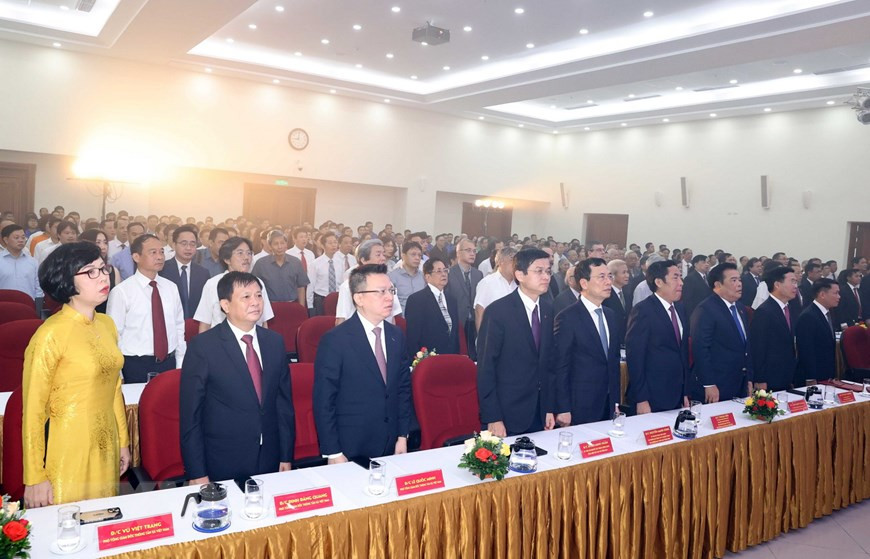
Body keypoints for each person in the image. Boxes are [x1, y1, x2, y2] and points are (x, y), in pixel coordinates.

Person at [22, 242, 131, 507]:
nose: (103, 276)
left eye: (102, 268)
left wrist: (124, 443)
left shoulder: (107, 324)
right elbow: (33, 410)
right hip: (69, 445)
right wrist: (35, 476)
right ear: (67, 281)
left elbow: (114, 387)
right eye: (90, 271)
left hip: (107, 442)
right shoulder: (50, 335)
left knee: (103, 520)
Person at [180, 272, 295, 483]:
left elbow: (283, 404)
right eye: (246, 297)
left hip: (271, 457)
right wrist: (197, 472)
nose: (255, 303)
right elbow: (191, 416)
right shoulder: (203, 347)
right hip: (222, 459)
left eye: (259, 295)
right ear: (225, 304)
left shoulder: (274, 342)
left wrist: (286, 455)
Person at [313, 264, 411, 462]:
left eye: (391, 290)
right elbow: (324, 401)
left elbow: (402, 389)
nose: (389, 297)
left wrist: (402, 435)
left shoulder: (396, 336)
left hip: (392, 442)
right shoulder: (335, 340)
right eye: (381, 292)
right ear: (359, 298)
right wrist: (333, 452)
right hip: (350, 447)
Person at [477, 249, 561, 436]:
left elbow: (549, 365)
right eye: (538, 271)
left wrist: (548, 407)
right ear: (520, 275)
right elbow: (486, 368)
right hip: (507, 413)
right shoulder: (498, 312)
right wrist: (493, 417)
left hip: (539, 412)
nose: (545, 276)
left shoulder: (548, 310)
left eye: (548, 271)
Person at [107, 234, 186, 383]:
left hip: (169, 362)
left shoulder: (171, 287)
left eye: (162, 251)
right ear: (136, 257)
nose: (160, 257)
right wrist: (119, 375)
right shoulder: (122, 292)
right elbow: (114, 336)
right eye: (153, 252)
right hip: (135, 365)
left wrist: (180, 363)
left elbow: (179, 327)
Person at [553, 257, 623, 425]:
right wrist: (563, 408)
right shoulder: (567, 317)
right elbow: (560, 366)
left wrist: (615, 401)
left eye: (610, 276)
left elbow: (613, 362)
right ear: (584, 283)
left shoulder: (611, 315)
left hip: (607, 403)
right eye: (601, 277)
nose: (608, 282)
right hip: (579, 404)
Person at [625, 260, 690, 414]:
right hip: (651, 395)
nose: (681, 283)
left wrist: (685, 391)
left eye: (681, 277)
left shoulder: (680, 309)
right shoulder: (643, 311)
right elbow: (635, 358)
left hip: (676, 394)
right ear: (659, 282)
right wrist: (642, 399)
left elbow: (683, 353)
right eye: (675, 277)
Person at [690, 262, 753, 403]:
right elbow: (700, 349)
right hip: (717, 385)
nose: (739, 284)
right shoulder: (706, 309)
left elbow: (746, 347)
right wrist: (709, 383)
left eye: (739, 280)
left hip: (739, 383)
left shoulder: (740, 308)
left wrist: (749, 377)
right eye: (733, 280)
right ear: (718, 285)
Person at [194, 236, 275, 332]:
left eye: (249, 253)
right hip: (221, 341)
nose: (246, 257)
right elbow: (205, 323)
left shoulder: (257, 282)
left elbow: (263, 321)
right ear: (227, 259)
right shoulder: (213, 284)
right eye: (240, 253)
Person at [749, 266, 798, 391]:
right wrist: (760, 379)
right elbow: (758, 348)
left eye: (796, 282)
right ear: (777, 284)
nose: (795, 286)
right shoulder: (764, 311)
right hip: (770, 377)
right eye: (792, 281)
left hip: (786, 375)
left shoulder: (789, 308)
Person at [335, 239, 402, 325]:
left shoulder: (388, 284)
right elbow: (341, 319)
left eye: (383, 254)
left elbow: (392, 318)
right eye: (378, 255)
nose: (383, 258)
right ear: (363, 260)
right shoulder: (348, 286)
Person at [403, 257, 460, 359]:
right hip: (429, 359)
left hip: (450, 357)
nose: (443, 274)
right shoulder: (416, 300)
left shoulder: (452, 299)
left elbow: (454, 334)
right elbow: (413, 336)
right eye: (438, 271)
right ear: (427, 277)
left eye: (445, 270)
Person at [795, 279, 841, 385]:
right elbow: (806, 351)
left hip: (827, 374)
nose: (839, 297)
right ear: (822, 294)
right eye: (835, 293)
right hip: (814, 377)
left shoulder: (829, 313)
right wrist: (811, 378)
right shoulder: (808, 316)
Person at [159, 225, 211, 319]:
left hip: (195, 326)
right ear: (174, 245)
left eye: (192, 244)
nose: (188, 248)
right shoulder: (162, 270)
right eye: (184, 244)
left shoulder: (203, 273)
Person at [445, 237, 483, 359]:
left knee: (474, 356)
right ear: (458, 253)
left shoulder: (478, 274)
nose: (472, 254)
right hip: (457, 321)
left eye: (474, 251)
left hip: (474, 321)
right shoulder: (449, 273)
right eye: (468, 250)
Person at [251, 230, 309, 305]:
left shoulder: (296, 262)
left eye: (282, 243)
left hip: (292, 305)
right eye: (275, 244)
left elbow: (301, 288)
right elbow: (254, 288)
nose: (279, 247)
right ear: (270, 246)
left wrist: (301, 309)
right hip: (270, 307)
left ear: (286, 244)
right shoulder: (261, 264)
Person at [474, 246, 518, 332]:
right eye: (512, 260)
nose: (516, 264)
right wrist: (482, 339)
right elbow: (479, 312)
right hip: (493, 333)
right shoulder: (487, 282)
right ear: (500, 262)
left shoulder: (519, 284)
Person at [78, 228, 121, 314]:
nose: (103, 246)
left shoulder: (113, 271)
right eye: (98, 242)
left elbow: (117, 302)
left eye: (105, 242)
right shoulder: (79, 271)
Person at [0, 224, 42, 304]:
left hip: (28, 305)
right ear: (6, 240)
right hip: (3, 306)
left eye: (23, 237)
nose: (21, 240)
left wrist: (38, 307)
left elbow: (38, 289)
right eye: (16, 238)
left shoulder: (33, 262)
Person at [309, 232, 345, 314]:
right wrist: (310, 306)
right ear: (322, 245)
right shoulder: (315, 264)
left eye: (335, 242)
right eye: (330, 243)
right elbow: (311, 286)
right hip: (321, 299)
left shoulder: (340, 262)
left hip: (338, 299)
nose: (333, 245)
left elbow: (342, 283)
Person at [388, 241, 426, 310]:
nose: (417, 258)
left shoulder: (423, 277)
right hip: (401, 318)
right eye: (413, 254)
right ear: (403, 255)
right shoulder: (392, 277)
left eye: (419, 255)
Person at [287, 228, 316, 313]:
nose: (304, 239)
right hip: (295, 287)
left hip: (309, 287)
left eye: (306, 237)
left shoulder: (310, 254)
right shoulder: (288, 254)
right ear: (294, 239)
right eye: (301, 237)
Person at [602, 259, 632, 344]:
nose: (627, 275)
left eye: (627, 272)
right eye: (623, 272)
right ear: (612, 276)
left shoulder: (627, 293)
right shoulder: (605, 295)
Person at [681, 253, 712, 321]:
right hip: (697, 314)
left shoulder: (709, 277)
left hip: (709, 312)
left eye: (707, 262)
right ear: (695, 264)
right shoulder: (690, 278)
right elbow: (687, 300)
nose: (707, 264)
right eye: (703, 262)